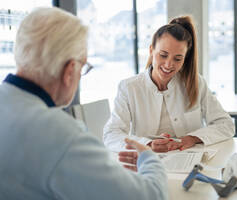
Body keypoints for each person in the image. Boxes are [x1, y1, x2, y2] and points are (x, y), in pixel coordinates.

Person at [0, 7, 167, 200]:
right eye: (83, 67)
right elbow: (151, 196)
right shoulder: (61, 135)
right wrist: (150, 159)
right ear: (70, 70)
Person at [103, 16, 235, 153]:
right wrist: (147, 144)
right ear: (151, 50)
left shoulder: (196, 83)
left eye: (178, 59)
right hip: (148, 162)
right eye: (163, 55)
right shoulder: (129, 88)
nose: (169, 64)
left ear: (185, 58)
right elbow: (111, 134)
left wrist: (193, 138)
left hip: (190, 161)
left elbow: (226, 124)